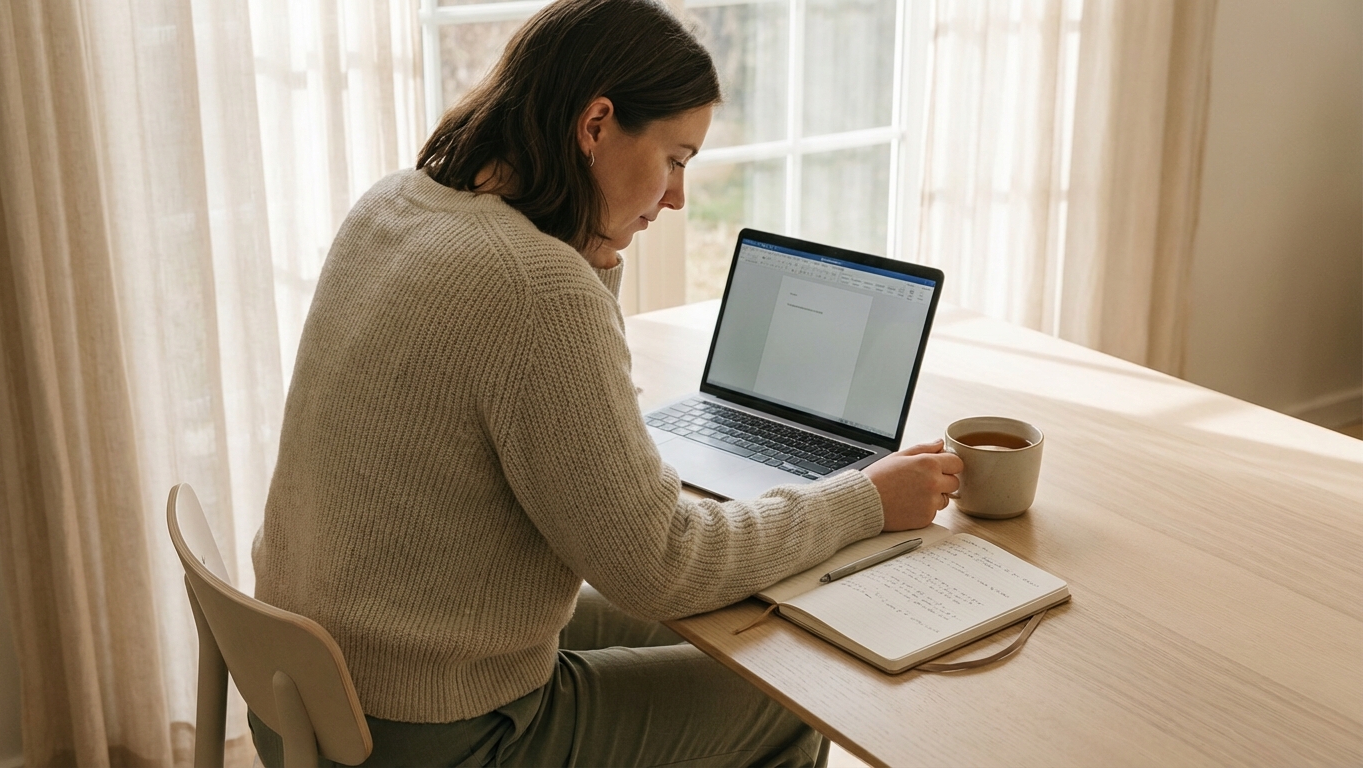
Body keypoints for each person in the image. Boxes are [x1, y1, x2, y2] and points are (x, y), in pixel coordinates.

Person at [249, 0, 963, 765]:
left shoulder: (396, 201)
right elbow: (662, 565)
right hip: (426, 730)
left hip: (304, 685)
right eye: (676, 159)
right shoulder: (536, 288)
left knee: (750, 623)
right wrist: (866, 499)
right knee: (788, 698)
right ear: (595, 126)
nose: (680, 197)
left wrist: (591, 245)